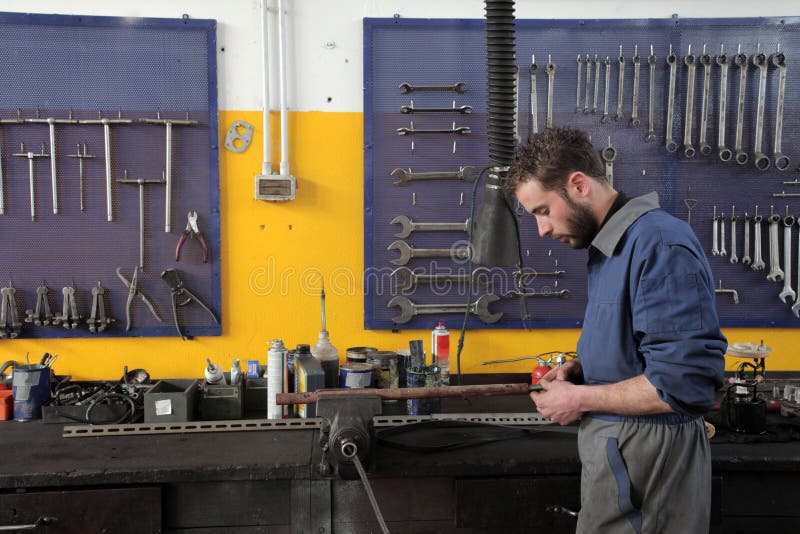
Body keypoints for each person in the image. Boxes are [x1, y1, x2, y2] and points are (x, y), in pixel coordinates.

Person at [504, 127, 727, 534]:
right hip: (625, 461)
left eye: (542, 211)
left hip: (651, 469)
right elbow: (639, 351)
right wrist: (581, 369)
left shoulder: (657, 244)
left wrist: (579, 398)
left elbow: (684, 383)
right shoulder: (612, 248)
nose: (543, 230)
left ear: (578, 185)